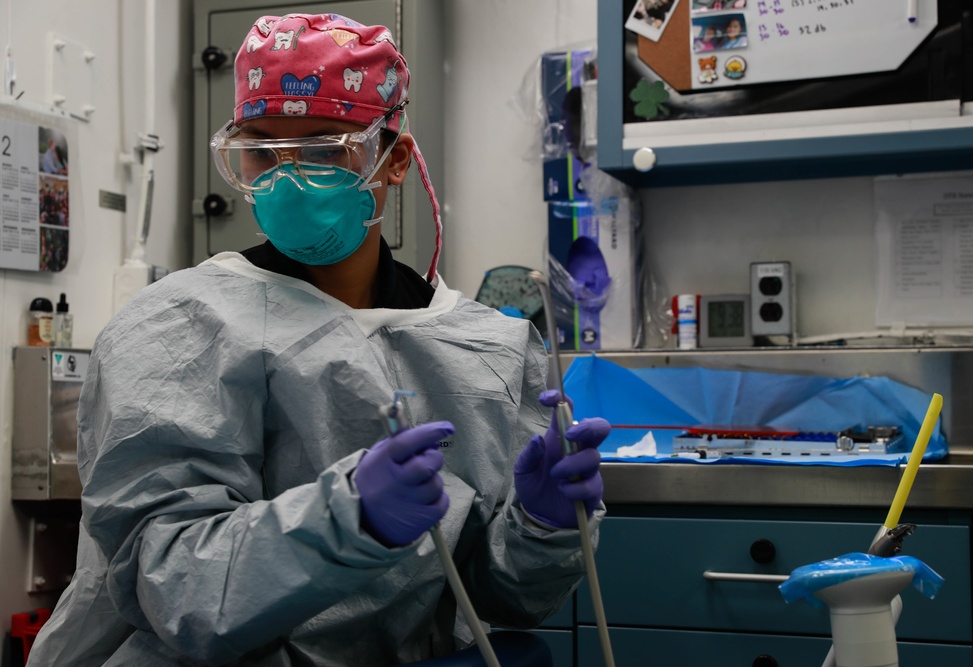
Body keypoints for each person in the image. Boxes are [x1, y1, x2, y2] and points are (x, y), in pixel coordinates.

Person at [27, 12, 611, 667]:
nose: (288, 176)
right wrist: (348, 518)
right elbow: (173, 586)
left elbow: (496, 598)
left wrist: (541, 526)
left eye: (324, 148)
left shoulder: (485, 348)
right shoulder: (175, 328)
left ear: (392, 158)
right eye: (262, 150)